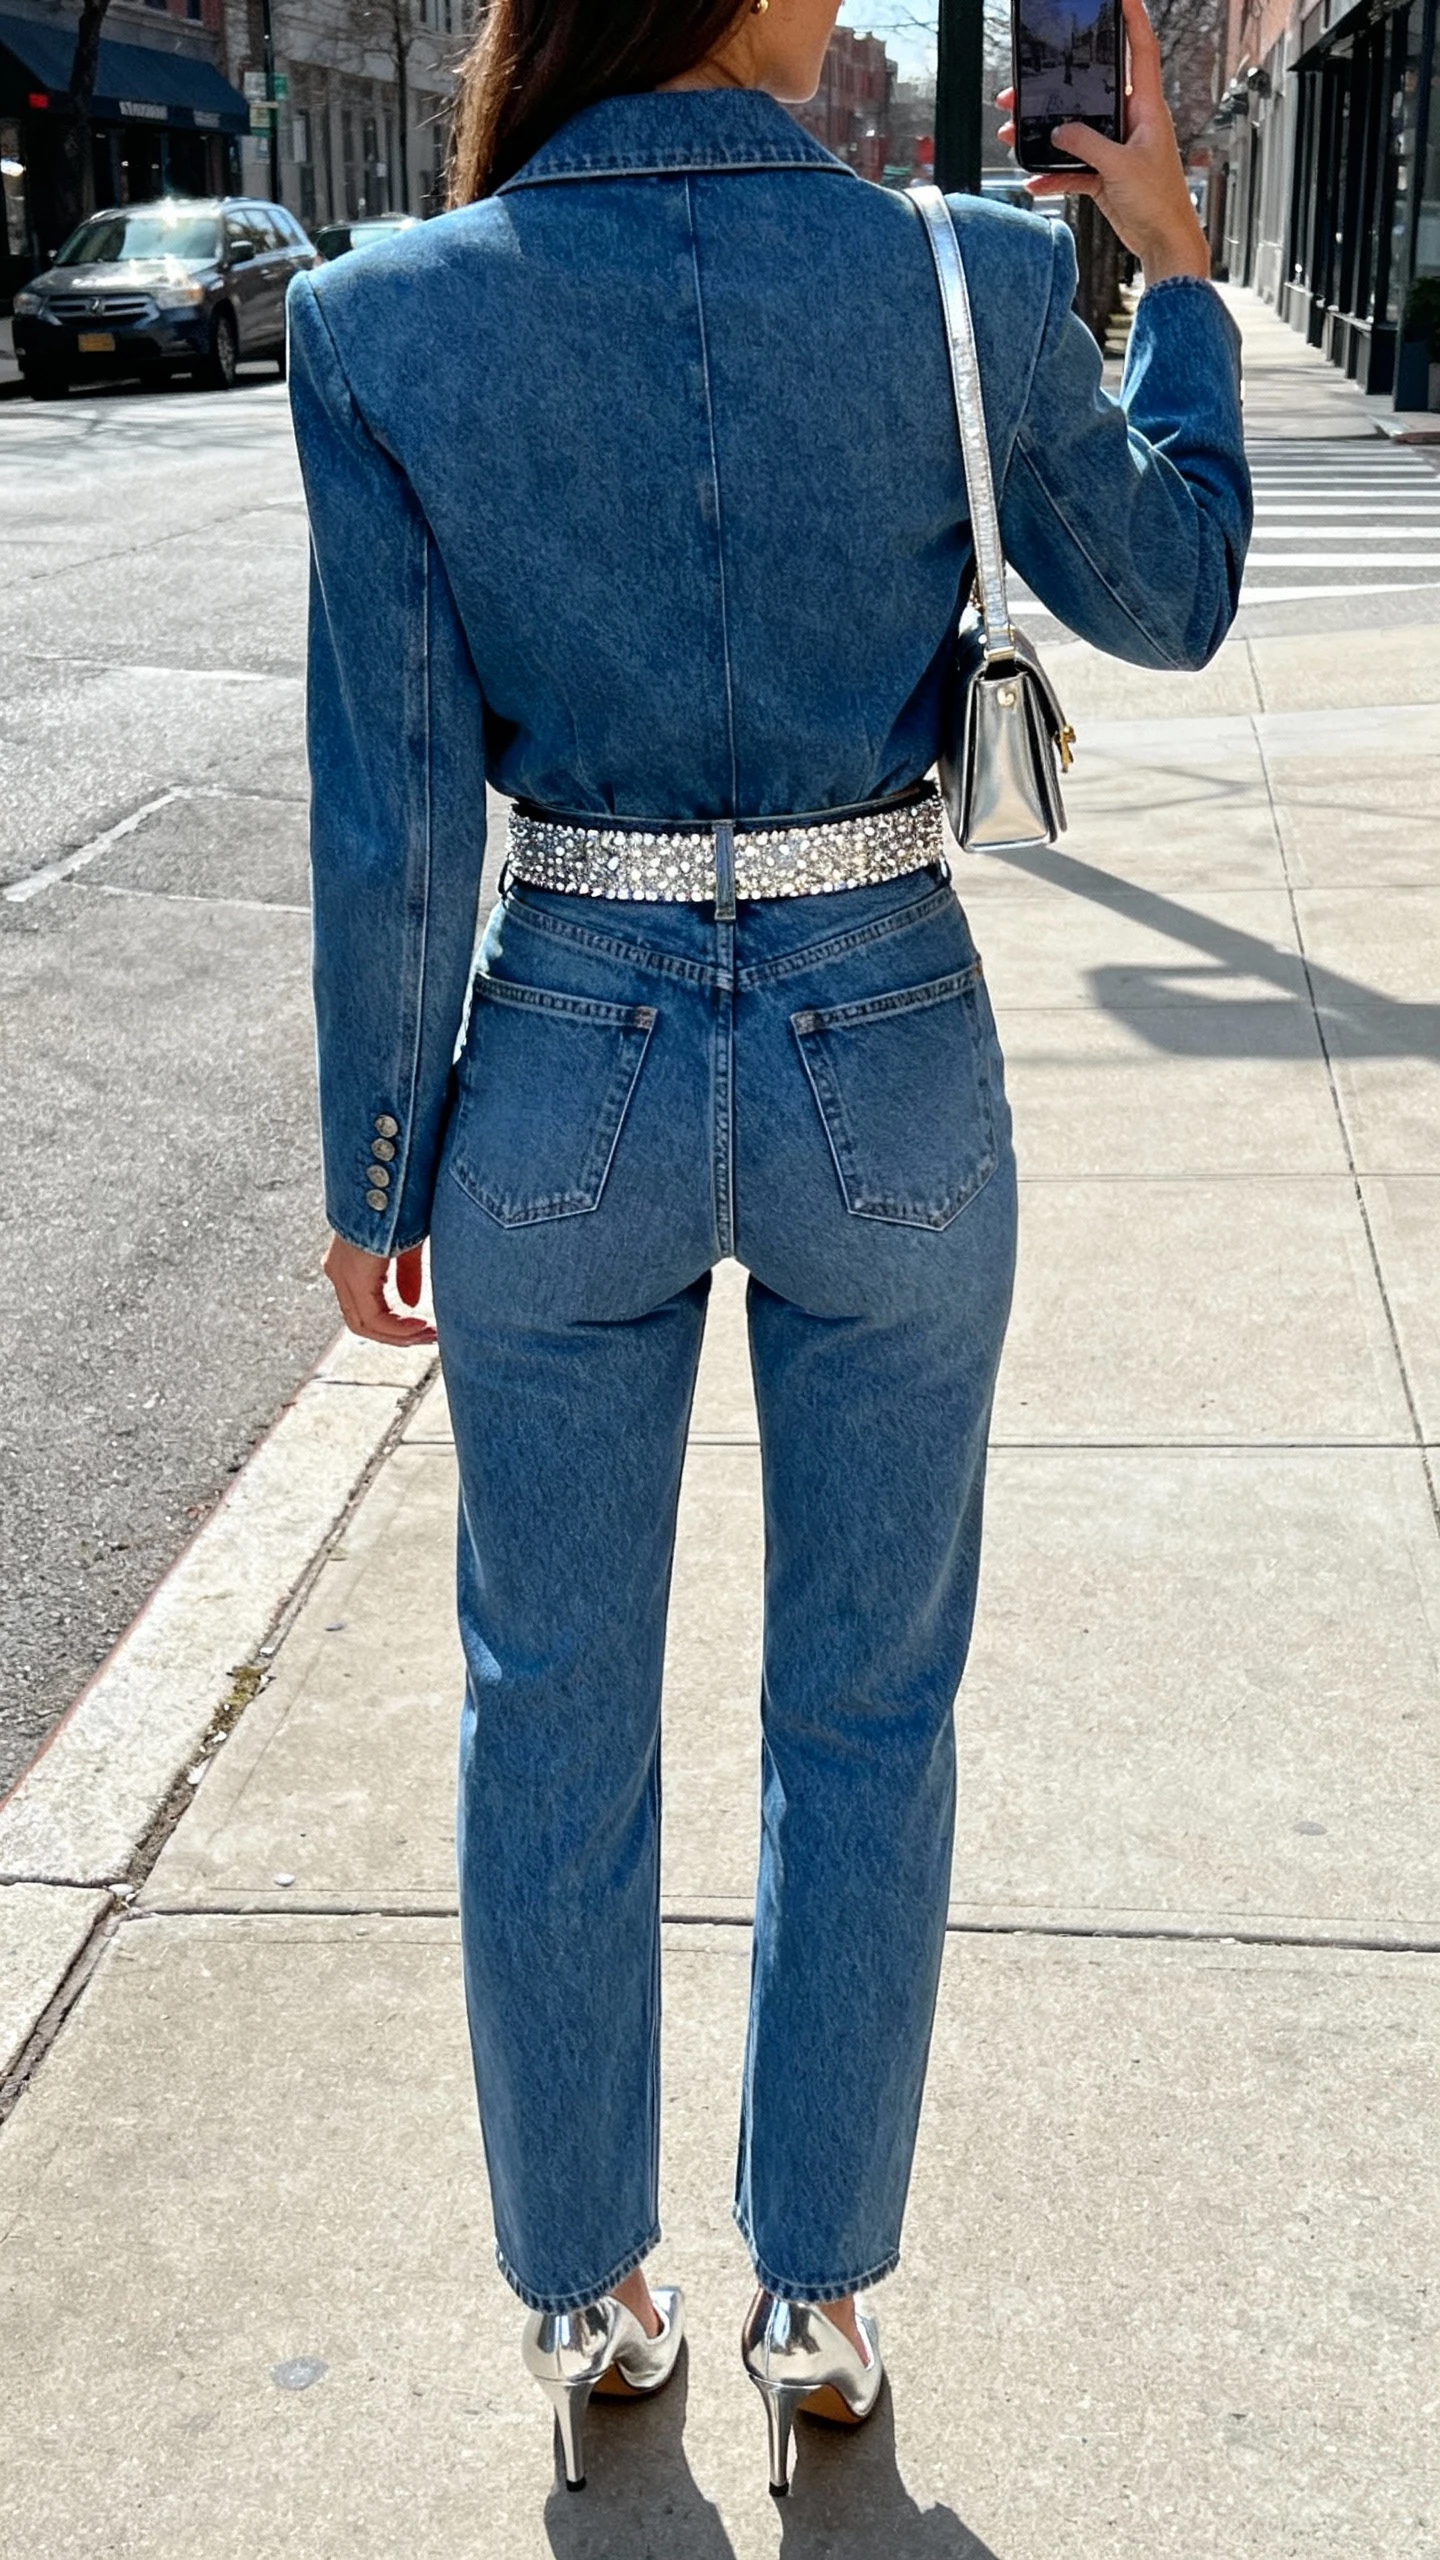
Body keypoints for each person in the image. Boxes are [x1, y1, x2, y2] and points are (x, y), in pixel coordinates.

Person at [287, 0, 1249, 2501]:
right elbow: (1174, 590)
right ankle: (817, 2283)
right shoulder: (947, 276)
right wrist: (1185, 279)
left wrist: (377, 1164)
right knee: (867, 1700)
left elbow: (393, 803)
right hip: (884, 1045)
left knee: (551, 1703)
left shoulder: (391, 313)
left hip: (567, 1054)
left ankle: (590, 2287)